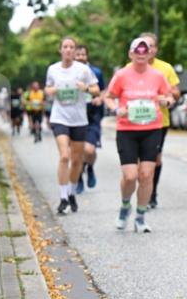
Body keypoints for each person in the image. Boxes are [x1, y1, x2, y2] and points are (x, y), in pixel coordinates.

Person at [104, 37, 174, 233]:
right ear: (131, 54)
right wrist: (116, 109)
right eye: (137, 52)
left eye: (145, 52)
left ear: (150, 54)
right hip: (127, 130)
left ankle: (141, 216)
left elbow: (169, 96)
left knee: (146, 174)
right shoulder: (122, 75)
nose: (141, 55)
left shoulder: (158, 76)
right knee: (130, 175)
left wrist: (165, 101)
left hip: (152, 129)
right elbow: (108, 97)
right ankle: (125, 205)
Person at [45, 38, 100, 214]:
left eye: (71, 47)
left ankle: (71, 192)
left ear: (75, 51)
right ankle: (62, 198)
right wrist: (51, 91)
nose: (68, 50)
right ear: (60, 50)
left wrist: (85, 88)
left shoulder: (83, 70)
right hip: (59, 117)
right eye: (65, 47)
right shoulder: (53, 69)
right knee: (64, 156)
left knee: (77, 161)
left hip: (79, 119)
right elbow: (48, 88)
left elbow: (96, 90)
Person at [127, 33, 180, 209]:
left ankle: (152, 192)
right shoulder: (129, 68)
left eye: (150, 46)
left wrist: (167, 97)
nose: (146, 50)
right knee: (135, 164)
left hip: (158, 122)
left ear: (155, 49)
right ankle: (138, 191)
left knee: (154, 160)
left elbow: (175, 92)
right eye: (142, 46)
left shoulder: (165, 69)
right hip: (133, 123)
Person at [74, 44, 106, 194]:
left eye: (83, 54)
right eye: (77, 54)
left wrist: (99, 98)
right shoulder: (69, 73)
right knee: (78, 151)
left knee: (89, 150)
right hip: (74, 116)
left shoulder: (96, 72)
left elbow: (103, 91)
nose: (80, 57)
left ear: (87, 56)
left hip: (93, 116)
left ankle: (90, 167)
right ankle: (79, 177)